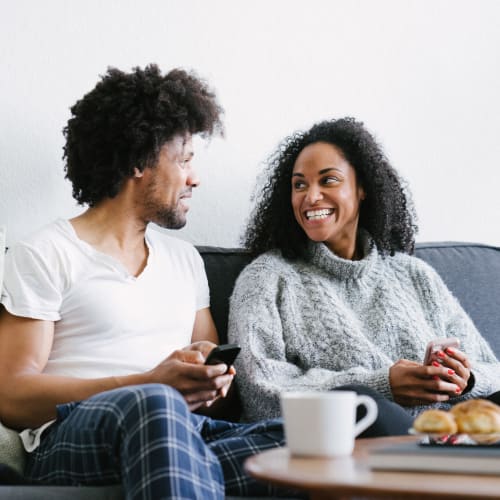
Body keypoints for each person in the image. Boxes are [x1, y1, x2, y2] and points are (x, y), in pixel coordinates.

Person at [0, 64, 287, 499]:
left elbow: (218, 394)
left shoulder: (184, 260)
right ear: (138, 161)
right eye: (185, 160)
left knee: (310, 444)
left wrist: (210, 377)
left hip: (183, 431)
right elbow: (12, 394)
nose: (196, 178)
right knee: (157, 405)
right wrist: (150, 382)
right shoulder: (46, 253)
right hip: (74, 436)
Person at [228, 117, 500, 426]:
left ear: (362, 189)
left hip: (447, 433)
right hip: (356, 437)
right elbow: (260, 392)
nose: (310, 196)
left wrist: (467, 379)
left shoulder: (415, 275)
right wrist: (383, 386)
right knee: (367, 406)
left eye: (328, 180)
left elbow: (493, 369)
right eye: (299, 184)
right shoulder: (266, 278)